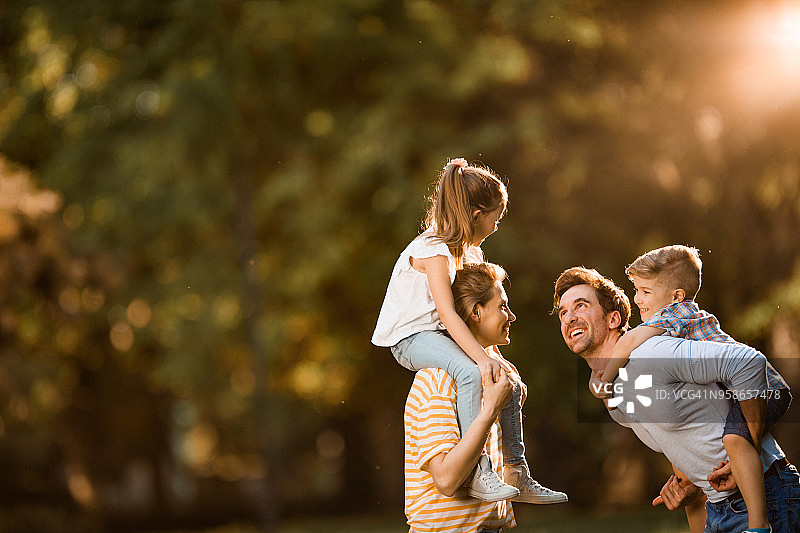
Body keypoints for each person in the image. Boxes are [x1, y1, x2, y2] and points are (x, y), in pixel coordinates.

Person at [553, 266, 800, 533]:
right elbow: (682, 445)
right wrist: (692, 487)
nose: (570, 318)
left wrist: (742, 447)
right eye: (563, 313)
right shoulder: (614, 394)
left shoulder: (651, 353)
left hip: (767, 495)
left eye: (580, 306)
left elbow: (748, 363)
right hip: (721, 509)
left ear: (613, 320)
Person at [374, 157, 564, 502]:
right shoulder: (432, 250)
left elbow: (473, 313)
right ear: (478, 214)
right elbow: (448, 314)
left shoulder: (470, 252)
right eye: (497, 216)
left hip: (438, 334)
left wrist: (496, 359)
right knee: (470, 373)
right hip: (410, 339)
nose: (498, 223)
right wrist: (482, 359)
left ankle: (517, 472)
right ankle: (478, 472)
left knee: (510, 379)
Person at [402, 262, 564, 533]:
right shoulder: (438, 379)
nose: (511, 316)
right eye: (502, 306)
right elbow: (446, 479)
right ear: (476, 312)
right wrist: (490, 410)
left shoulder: (502, 372)